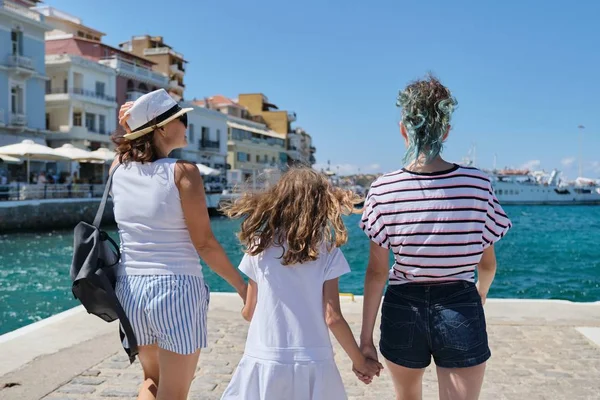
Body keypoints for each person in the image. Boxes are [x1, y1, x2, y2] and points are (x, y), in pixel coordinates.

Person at [359, 75, 511, 400]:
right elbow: (487, 263)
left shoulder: (383, 189)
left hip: (402, 308)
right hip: (461, 302)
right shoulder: (477, 184)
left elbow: (376, 272)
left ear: (403, 129)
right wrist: (479, 296)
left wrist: (365, 339)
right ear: (445, 131)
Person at [114, 89, 248, 400]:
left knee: (152, 381)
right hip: (175, 289)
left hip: (129, 289)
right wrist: (241, 287)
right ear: (160, 128)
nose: (186, 125)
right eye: (181, 119)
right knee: (174, 394)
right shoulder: (183, 173)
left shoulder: (118, 170)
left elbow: (123, 152)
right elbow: (205, 244)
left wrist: (130, 126)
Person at [220, 167, 383, 400]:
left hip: (265, 358)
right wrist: (360, 361)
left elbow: (249, 313)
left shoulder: (259, 247)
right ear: (320, 205)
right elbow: (333, 317)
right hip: (314, 361)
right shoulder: (327, 251)